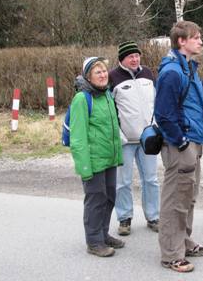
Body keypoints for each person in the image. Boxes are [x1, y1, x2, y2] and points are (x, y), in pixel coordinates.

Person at [154, 21, 203, 273]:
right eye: (195, 38)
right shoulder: (173, 72)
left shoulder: (188, 68)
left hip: (194, 140)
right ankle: (171, 254)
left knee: (189, 197)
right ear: (181, 42)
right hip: (181, 144)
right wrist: (182, 141)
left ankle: (183, 242)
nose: (200, 41)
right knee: (176, 198)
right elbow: (164, 115)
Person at [69, 56, 124, 257]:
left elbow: (112, 128)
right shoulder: (82, 99)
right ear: (88, 77)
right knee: (96, 200)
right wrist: (84, 168)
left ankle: (102, 234)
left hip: (109, 158)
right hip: (93, 161)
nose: (102, 75)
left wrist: (117, 155)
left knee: (110, 197)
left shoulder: (107, 94)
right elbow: (78, 138)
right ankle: (93, 242)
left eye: (103, 71)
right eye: (97, 72)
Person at [109, 41, 160, 236]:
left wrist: (156, 127)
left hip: (148, 138)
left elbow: (156, 102)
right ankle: (124, 218)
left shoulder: (147, 73)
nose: (135, 59)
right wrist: (118, 134)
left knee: (151, 179)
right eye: (130, 56)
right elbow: (110, 110)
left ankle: (153, 216)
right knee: (123, 182)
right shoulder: (113, 77)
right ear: (122, 59)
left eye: (137, 55)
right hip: (125, 141)